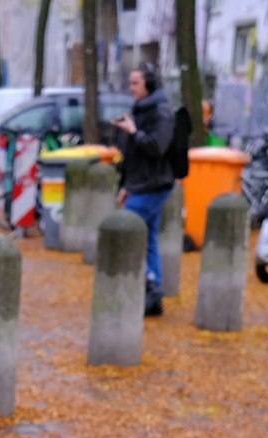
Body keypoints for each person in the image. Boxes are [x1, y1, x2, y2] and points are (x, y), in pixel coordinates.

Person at [111, 63, 175, 317]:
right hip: (141, 183)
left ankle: (135, 287)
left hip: (154, 184)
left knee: (128, 232)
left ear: (148, 85)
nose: (131, 88)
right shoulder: (140, 109)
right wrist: (126, 185)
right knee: (148, 239)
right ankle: (152, 290)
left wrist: (134, 132)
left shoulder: (161, 112)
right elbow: (134, 156)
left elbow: (156, 147)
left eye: (135, 83)